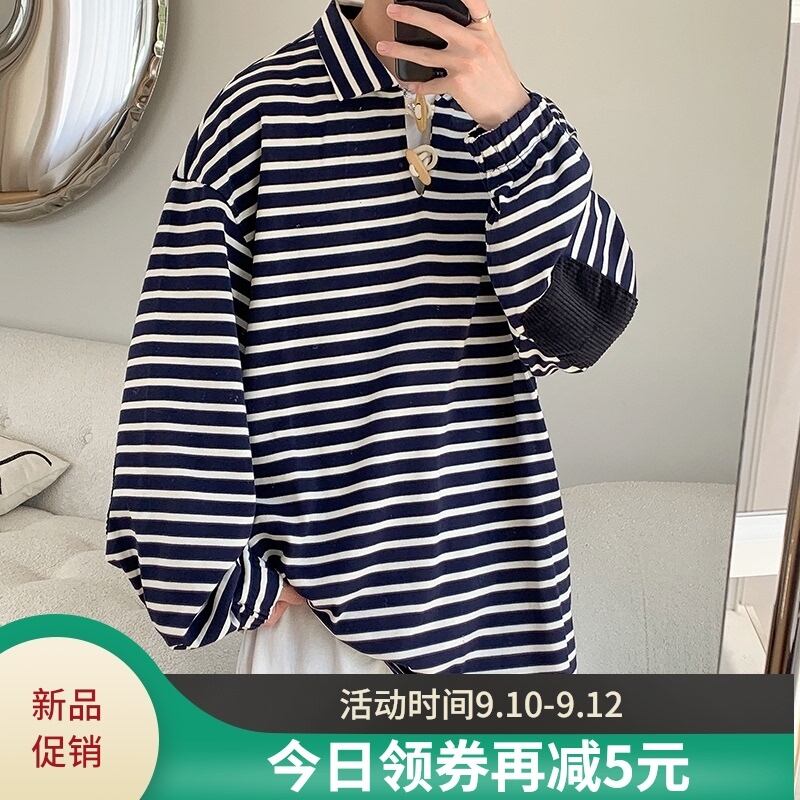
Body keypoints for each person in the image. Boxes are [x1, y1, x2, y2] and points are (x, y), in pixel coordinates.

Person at [105, 0, 638, 674]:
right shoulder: (260, 113)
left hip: (499, 606)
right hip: (326, 616)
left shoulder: (516, 129)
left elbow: (577, 335)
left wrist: (513, 119)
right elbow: (183, 363)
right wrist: (210, 574)